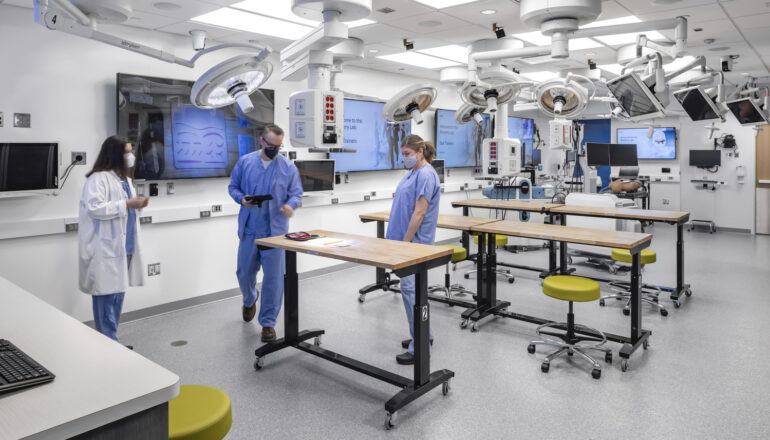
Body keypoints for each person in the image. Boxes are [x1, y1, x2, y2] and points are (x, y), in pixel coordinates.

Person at [228, 124, 303, 342]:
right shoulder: (245, 162)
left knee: (273, 280)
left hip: (275, 232)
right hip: (250, 229)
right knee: (244, 273)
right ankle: (250, 298)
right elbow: (233, 187)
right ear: (261, 141)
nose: (274, 150)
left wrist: (290, 205)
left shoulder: (287, 167)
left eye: (278, 146)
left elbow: (296, 193)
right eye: (271, 145)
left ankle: (268, 323)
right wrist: (241, 199)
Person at [78, 136, 149, 344]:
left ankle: (112, 340)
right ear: (115, 154)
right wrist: (126, 203)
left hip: (125, 246)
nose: (131, 155)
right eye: (127, 152)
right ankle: (107, 343)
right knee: (105, 297)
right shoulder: (97, 179)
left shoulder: (125, 180)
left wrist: (136, 204)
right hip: (104, 248)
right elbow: (94, 208)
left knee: (117, 296)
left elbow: (126, 208)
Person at [386, 134, 441, 365]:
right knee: (412, 292)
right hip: (404, 241)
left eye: (408, 154)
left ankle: (419, 345)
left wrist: (405, 244)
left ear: (420, 152)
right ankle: (422, 335)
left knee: (411, 292)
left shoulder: (427, 174)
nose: (404, 158)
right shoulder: (413, 172)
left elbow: (419, 212)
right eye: (403, 155)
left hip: (414, 244)